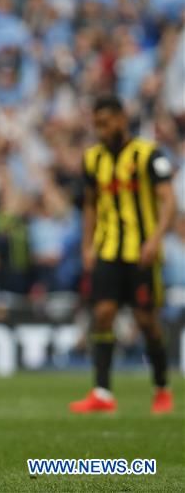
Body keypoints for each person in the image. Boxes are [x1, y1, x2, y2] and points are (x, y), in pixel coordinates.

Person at [70, 95, 176, 415]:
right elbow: (90, 204)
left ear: (120, 118)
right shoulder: (92, 159)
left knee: (147, 322)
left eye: (105, 122)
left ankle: (161, 387)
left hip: (140, 251)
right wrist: (87, 245)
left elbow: (168, 200)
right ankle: (102, 392)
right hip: (108, 249)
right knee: (103, 313)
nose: (101, 129)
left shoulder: (148, 155)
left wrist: (156, 239)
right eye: (96, 124)